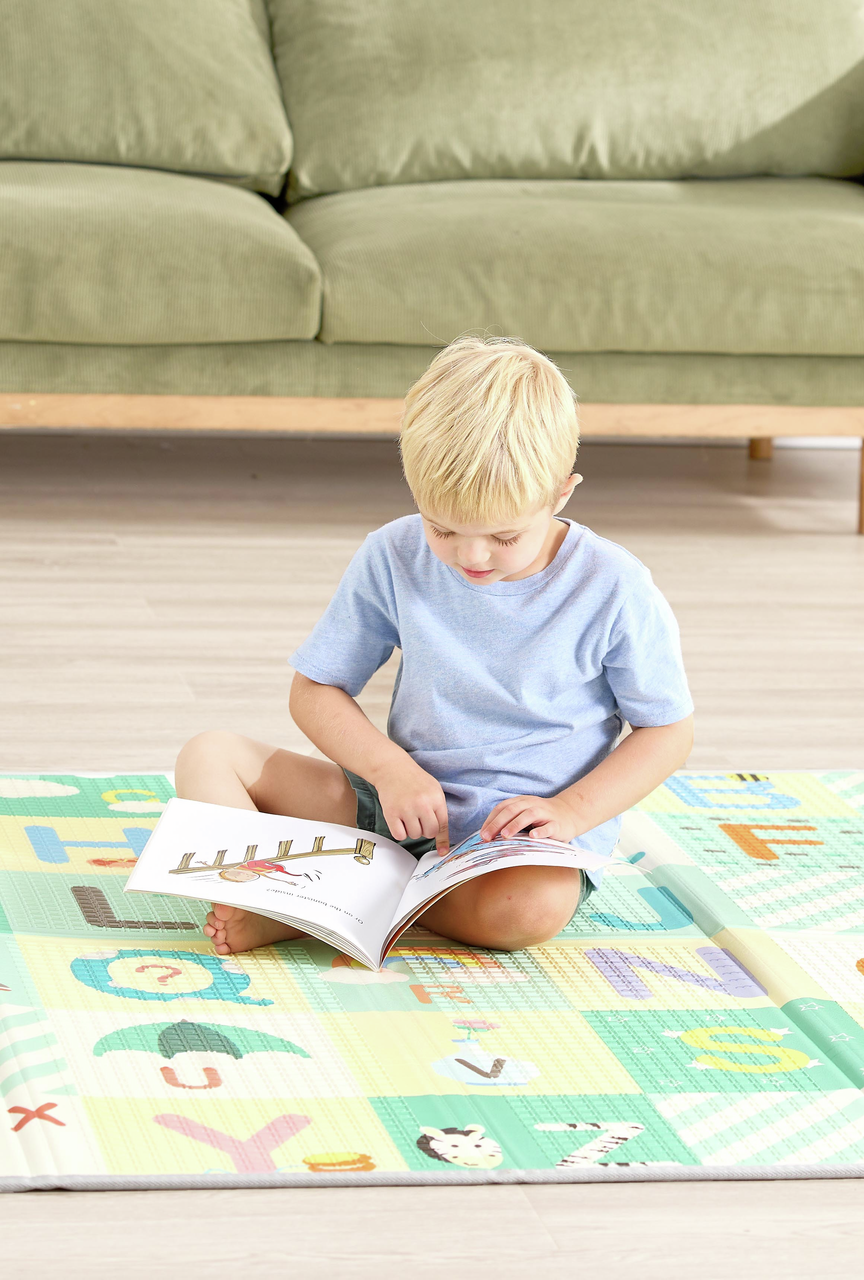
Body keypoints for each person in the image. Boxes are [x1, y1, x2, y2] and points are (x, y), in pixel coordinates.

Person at [175, 337, 694, 957]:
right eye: (443, 528)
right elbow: (316, 690)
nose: (470, 557)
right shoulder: (393, 553)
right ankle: (309, 895)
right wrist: (390, 772)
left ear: (562, 493)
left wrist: (573, 814)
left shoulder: (613, 584)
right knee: (210, 755)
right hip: (390, 808)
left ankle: (314, 902)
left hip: (514, 843)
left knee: (531, 910)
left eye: (504, 536)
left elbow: (667, 731)